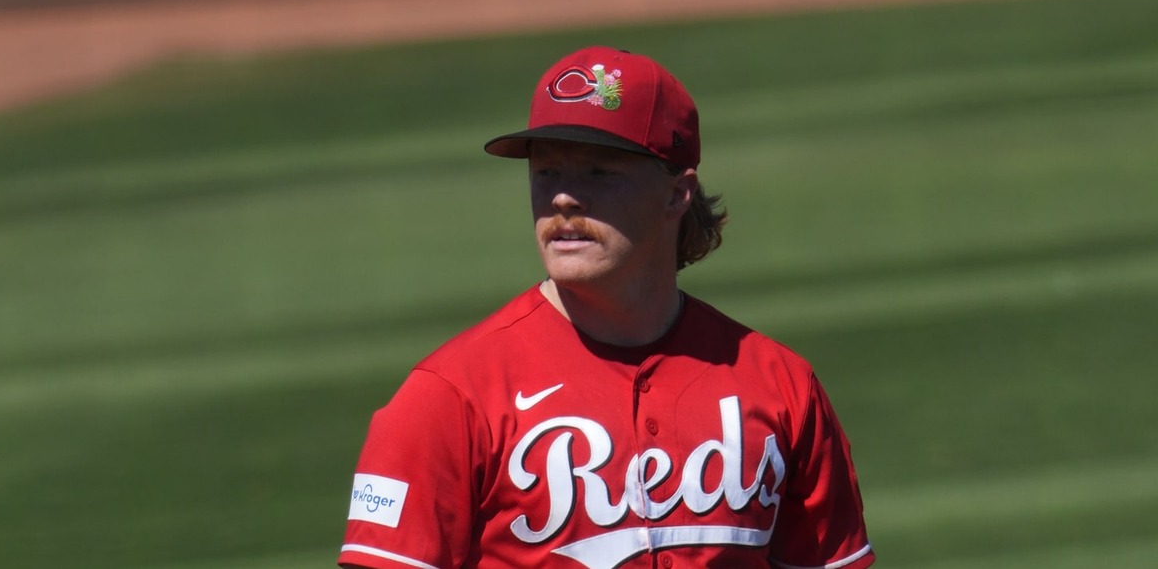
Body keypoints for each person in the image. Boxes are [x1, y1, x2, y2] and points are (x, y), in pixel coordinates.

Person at [338, 45, 874, 569]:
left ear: (677, 194)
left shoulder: (779, 385)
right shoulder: (451, 396)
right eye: (547, 172)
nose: (563, 197)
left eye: (599, 172)